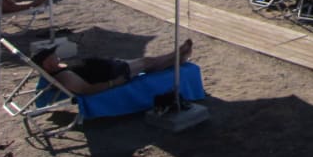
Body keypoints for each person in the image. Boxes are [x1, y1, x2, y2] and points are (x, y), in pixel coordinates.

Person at [32, 39, 194, 96]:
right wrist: (114, 83)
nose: (57, 56)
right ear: (47, 64)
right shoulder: (64, 77)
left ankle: (177, 57)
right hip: (113, 74)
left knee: (146, 63)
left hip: (109, 66)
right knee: (147, 63)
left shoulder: (57, 68)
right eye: (52, 55)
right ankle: (177, 56)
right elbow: (86, 89)